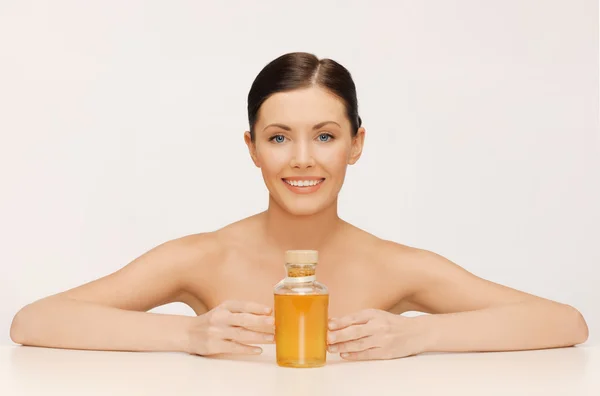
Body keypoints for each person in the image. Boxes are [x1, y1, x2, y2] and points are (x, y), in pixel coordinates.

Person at [10, 52, 588, 361]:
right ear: (252, 149)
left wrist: (417, 337)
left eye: (327, 136)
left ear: (356, 144)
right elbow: (35, 321)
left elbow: (565, 322)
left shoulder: (395, 266)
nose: (303, 160)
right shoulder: (202, 257)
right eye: (280, 137)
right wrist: (187, 337)